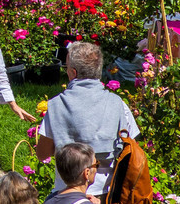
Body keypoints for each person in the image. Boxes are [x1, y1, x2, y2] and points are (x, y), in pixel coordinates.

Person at [34, 41, 140, 195]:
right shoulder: (118, 104)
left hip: (67, 191)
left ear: (73, 73)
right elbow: (131, 148)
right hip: (106, 191)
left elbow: (42, 153)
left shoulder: (57, 105)